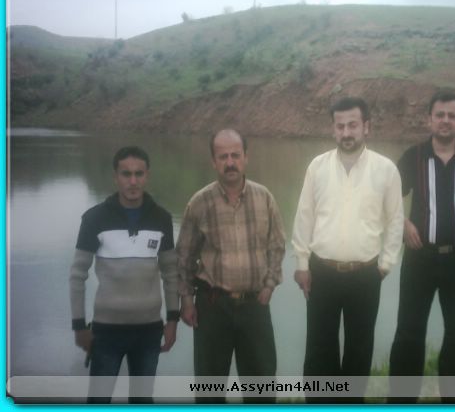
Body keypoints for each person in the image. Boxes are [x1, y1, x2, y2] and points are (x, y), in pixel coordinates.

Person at [292, 97, 404, 402]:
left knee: (359, 348)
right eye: (340, 126)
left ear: (366, 127)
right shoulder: (317, 167)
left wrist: (386, 264)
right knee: (319, 348)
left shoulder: (385, 169)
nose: (346, 132)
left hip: (366, 274)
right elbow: (304, 216)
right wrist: (302, 263)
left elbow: (395, 220)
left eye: (352, 125)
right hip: (322, 272)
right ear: (333, 129)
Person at [388, 91, 455, 403]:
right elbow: (387, 198)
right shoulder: (413, 156)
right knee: (408, 333)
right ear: (429, 119)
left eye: (451, 115)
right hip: (419, 259)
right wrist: (403, 224)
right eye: (440, 115)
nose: (445, 120)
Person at [177, 129, 285, 403]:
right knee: (209, 389)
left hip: (255, 305)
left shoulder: (264, 198)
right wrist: (187, 300)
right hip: (213, 305)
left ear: (246, 157)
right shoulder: (199, 202)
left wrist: (270, 285)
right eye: (223, 156)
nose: (230, 162)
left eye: (235, 155)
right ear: (213, 161)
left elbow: (277, 246)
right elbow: (184, 257)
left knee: (261, 387)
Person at [69, 146, 179, 403]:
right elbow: (77, 274)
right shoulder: (94, 218)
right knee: (99, 400)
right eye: (126, 174)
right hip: (106, 331)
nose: (133, 181)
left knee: (142, 400)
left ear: (147, 175)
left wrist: (172, 320)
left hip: (149, 331)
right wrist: (79, 325)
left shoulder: (162, 219)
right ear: (115, 177)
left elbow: (171, 273)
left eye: (139, 174)